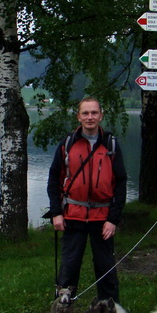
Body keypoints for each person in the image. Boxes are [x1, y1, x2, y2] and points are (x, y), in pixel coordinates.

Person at [47, 97, 127, 302]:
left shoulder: (111, 145)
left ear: (101, 115)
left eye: (94, 113)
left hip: (102, 217)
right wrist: (56, 213)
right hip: (73, 215)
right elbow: (54, 179)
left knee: (105, 267)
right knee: (69, 266)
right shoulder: (68, 144)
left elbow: (120, 183)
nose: (90, 117)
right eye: (85, 113)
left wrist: (113, 219)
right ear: (78, 116)